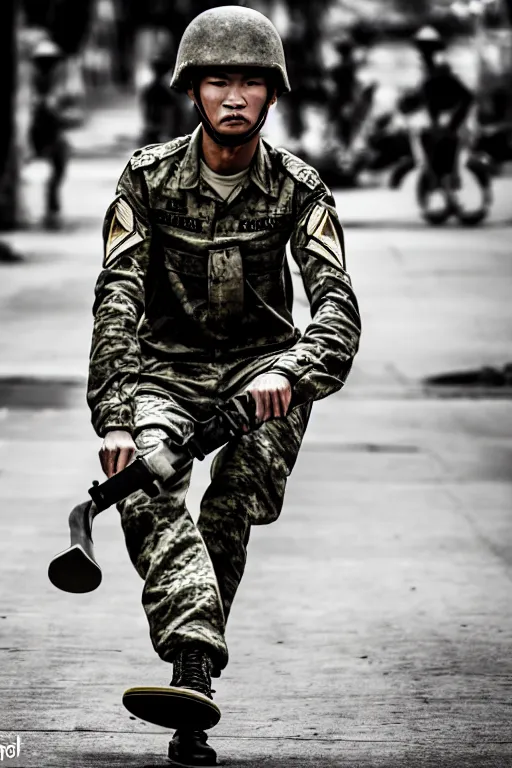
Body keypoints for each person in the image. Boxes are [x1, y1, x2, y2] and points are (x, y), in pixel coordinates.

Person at [87, 6, 361, 766]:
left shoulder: (300, 189)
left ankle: (190, 665)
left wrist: (292, 371)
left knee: (233, 500)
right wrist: (115, 416)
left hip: (261, 375)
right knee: (145, 483)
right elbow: (117, 295)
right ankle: (194, 662)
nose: (234, 96)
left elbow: (337, 306)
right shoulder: (145, 179)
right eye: (218, 80)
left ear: (273, 95)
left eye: (250, 82)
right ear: (193, 90)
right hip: (164, 370)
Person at [398, 26, 474, 179]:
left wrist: (453, 121)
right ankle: (435, 177)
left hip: (449, 118)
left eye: (426, 47)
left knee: (447, 148)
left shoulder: (440, 68)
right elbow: (423, 97)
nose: (423, 51)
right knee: (426, 142)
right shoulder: (425, 70)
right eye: (421, 47)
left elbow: (457, 96)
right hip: (436, 118)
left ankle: (448, 179)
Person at [29, 39, 70, 229]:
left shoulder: (53, 82)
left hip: (52, 132)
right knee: (53, 172)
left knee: (57, 171)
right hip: (41, 134)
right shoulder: (34, 82)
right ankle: (50, 209)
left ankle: (51, 208)